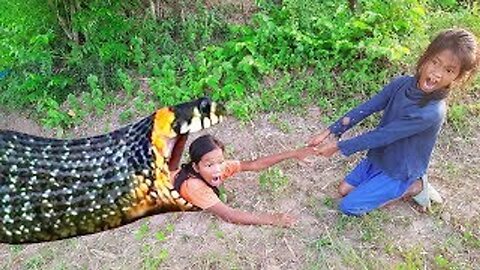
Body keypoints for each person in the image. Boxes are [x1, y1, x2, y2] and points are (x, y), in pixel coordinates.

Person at [308, 28, 479, 216]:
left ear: (458, 76)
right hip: (380, 157)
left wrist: (339, 147)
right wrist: (331, 131)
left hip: (399, 170)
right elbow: (369, 107)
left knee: (348, 206)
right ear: (425, 56)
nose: (437, 73)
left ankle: (412, 186)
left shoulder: (431, 112)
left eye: (448, 70)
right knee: (343, 190)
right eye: (435, 62)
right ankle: (394, 185)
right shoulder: (402, 84)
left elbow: (384, 135)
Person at [172, 134, 315, 226]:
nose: (217, 169)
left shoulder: (221, 167)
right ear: (196, 168)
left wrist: (293, 153)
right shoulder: (194, 186)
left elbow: (254, 164)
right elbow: (229, 215)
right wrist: (272, 219)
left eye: (220, 162)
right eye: (209, 165)